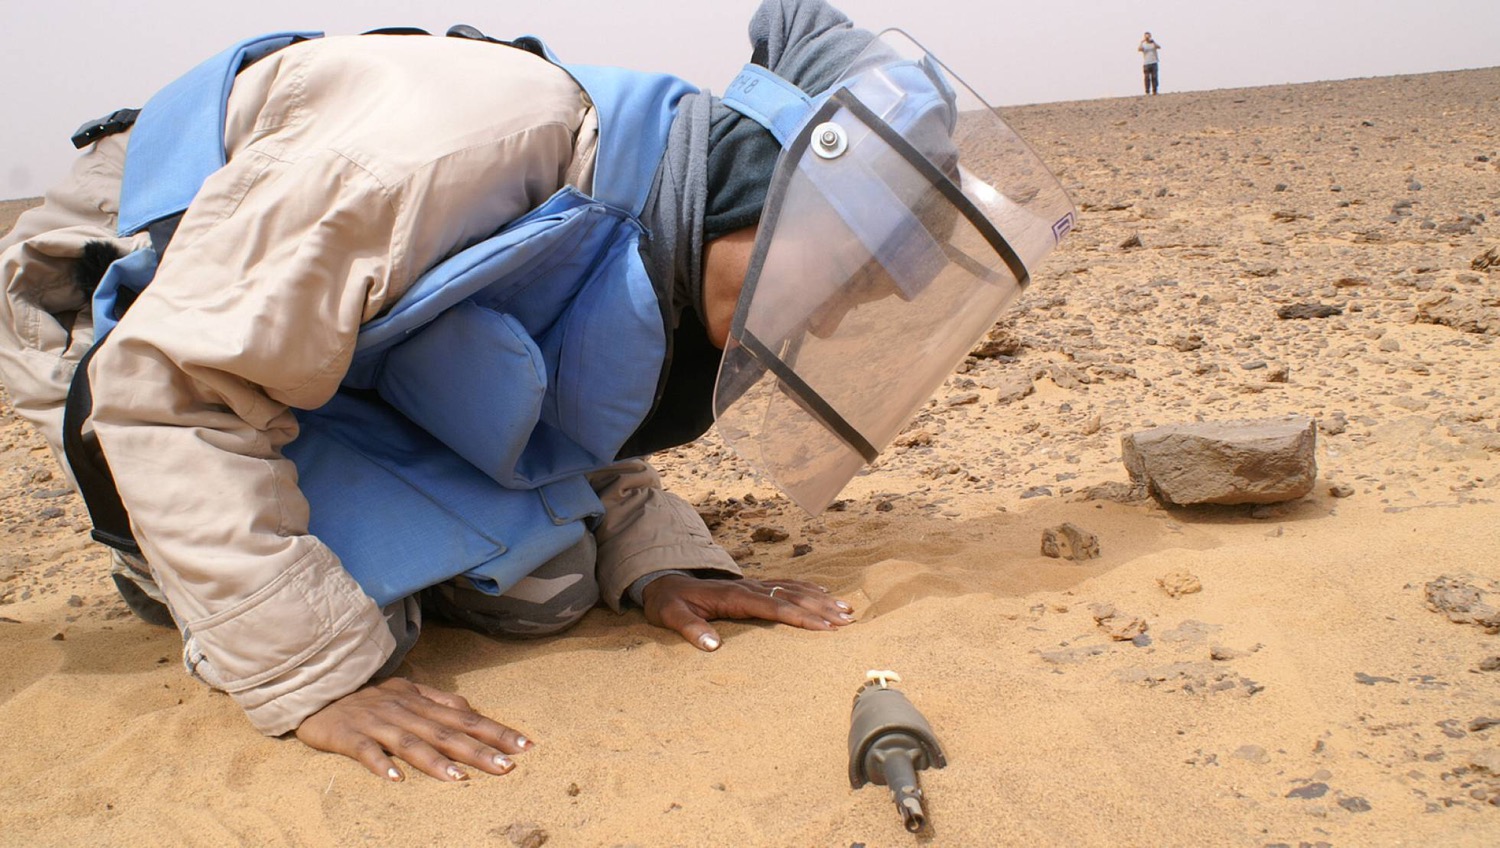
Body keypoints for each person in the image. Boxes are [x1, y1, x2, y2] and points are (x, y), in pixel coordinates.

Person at [0, 0, 1071, 783]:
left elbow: (546, 372)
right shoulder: (440, 150)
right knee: (346, 629)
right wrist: (314, 677)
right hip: (139, 283)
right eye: (833, 278)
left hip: (331, 346)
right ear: (760, 191)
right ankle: (163, 564)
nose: (822, 321)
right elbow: (168, 382)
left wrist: (658, 561)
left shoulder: (671, 207)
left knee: (547, 590)